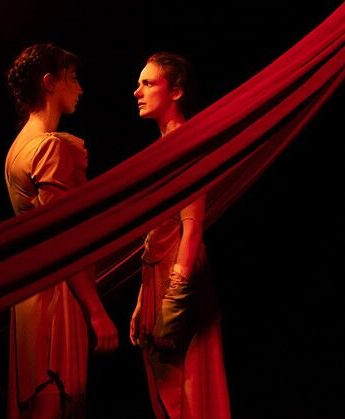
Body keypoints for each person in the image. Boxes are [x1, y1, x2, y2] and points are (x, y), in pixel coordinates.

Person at [4, 43, 118, 419]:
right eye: (73, 78)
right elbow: (64, 238)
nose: (80, 88)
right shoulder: (47, 148)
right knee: (53, 399)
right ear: (50, 82)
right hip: (54, 295)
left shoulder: (19, 146)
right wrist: (96, 310)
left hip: (30, 292)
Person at [129, 52, 231, 419]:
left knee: (185, 392)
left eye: (148, 83)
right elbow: (157, 226)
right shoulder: (162, 148)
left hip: (179, 274)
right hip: (157, 274)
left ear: (176, 92)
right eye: (139, 83)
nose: (137, 91)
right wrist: (142, 297)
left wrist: (174, 301)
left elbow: (191, 227)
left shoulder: (186, 144)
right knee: (166, 394)